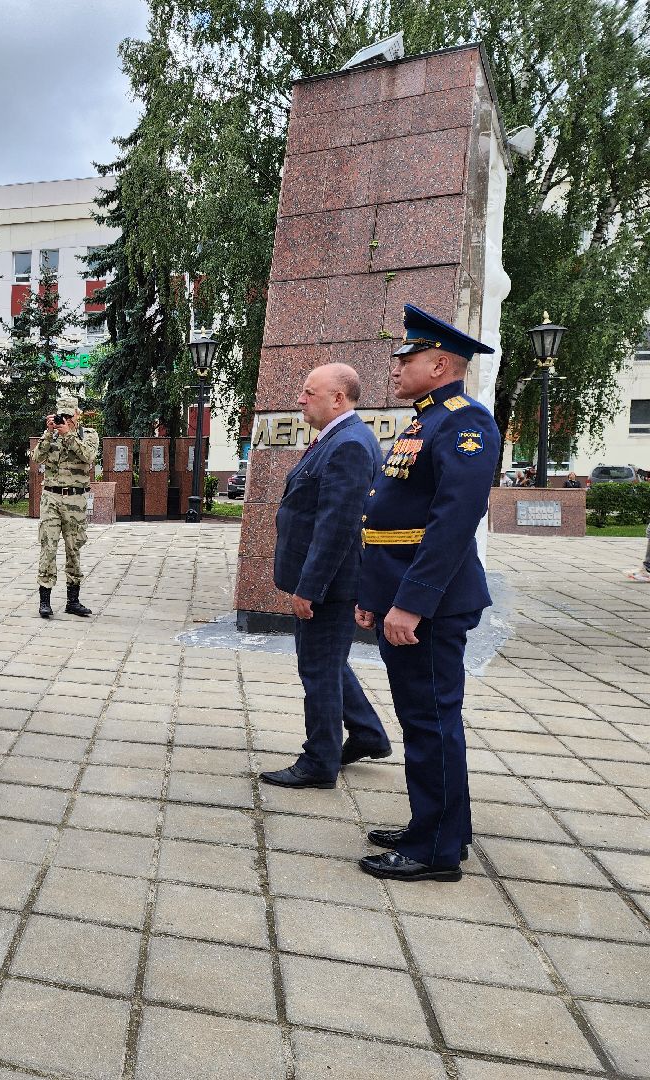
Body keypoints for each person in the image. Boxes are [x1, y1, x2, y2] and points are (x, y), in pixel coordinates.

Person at [354, 303, 500, 883]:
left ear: (439, 364)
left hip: (430, 604)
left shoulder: (465, 421)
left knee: (431, 721)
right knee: (424, 718)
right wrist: (375, 593)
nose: (395, 366)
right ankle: (440, 827)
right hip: (400, 593)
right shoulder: (425, 419)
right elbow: (388, 520)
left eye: (407, 357)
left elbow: (452, 520)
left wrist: (411, 602)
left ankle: (433, 850)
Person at [259, 363, 391, 790]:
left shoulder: (349, 444)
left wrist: (309, 589)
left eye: (309, 392)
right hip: (327, 582)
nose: (300, 398)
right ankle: (367, 732)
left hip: (328, 587)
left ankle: (319, 762)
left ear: (338, 398)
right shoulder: (338, 438)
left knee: (317, 671)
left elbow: (338, 526)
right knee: (328, 664)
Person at [33, 392, 99, 618]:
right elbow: (36, 457)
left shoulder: (88, 435)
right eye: (62, 416)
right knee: (48, 547)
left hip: (75, 500)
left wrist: (69, 435)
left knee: (73, 548)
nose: (66, 420)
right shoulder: (51, 436)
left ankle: (73, 600)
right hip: (51, 498)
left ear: (77, 415)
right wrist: (48, 433)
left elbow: (88, 456)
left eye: (69, 416)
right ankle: (45, 600)